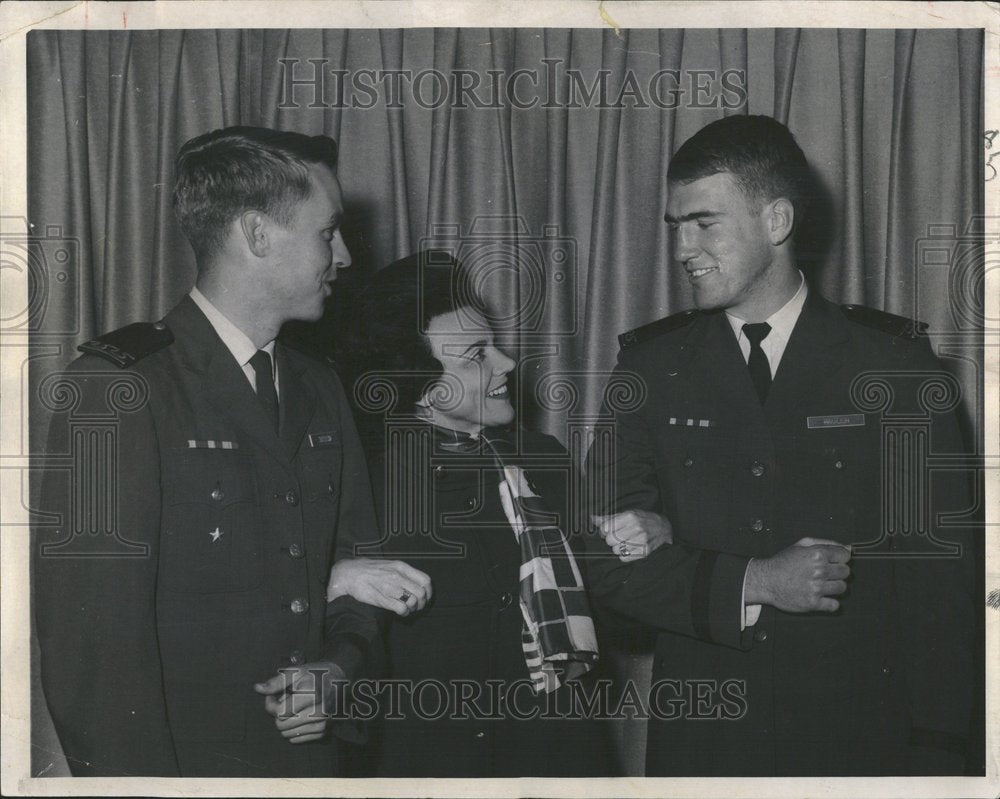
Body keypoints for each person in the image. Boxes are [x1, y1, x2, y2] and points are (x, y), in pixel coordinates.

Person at [586, 114, 976, 776]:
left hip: (860, 743)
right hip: (703, 744)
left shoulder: (895, 366)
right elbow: (604, 559)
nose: (683, 248)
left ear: (777, 221)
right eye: (675, 226)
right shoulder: (649, 368)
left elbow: (943, 582)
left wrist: (939, 750)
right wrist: (756, 580)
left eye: (704, 223)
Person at [34, 126, 390, 777]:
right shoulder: (121, 385)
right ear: (257, 236)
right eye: (325, 232)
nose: (342, 256)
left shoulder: (319, 385)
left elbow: (359, 567)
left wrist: (338, 669)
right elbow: (92, 653)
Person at [338, 252, 652, 777]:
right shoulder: (364, 482)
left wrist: (641, 544)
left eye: (495, 346)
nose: (505, 362)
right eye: (475, 355)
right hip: (431, 766)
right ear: (418, 382)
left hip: (558, 757)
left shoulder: (545, 458)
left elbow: (619, 622)